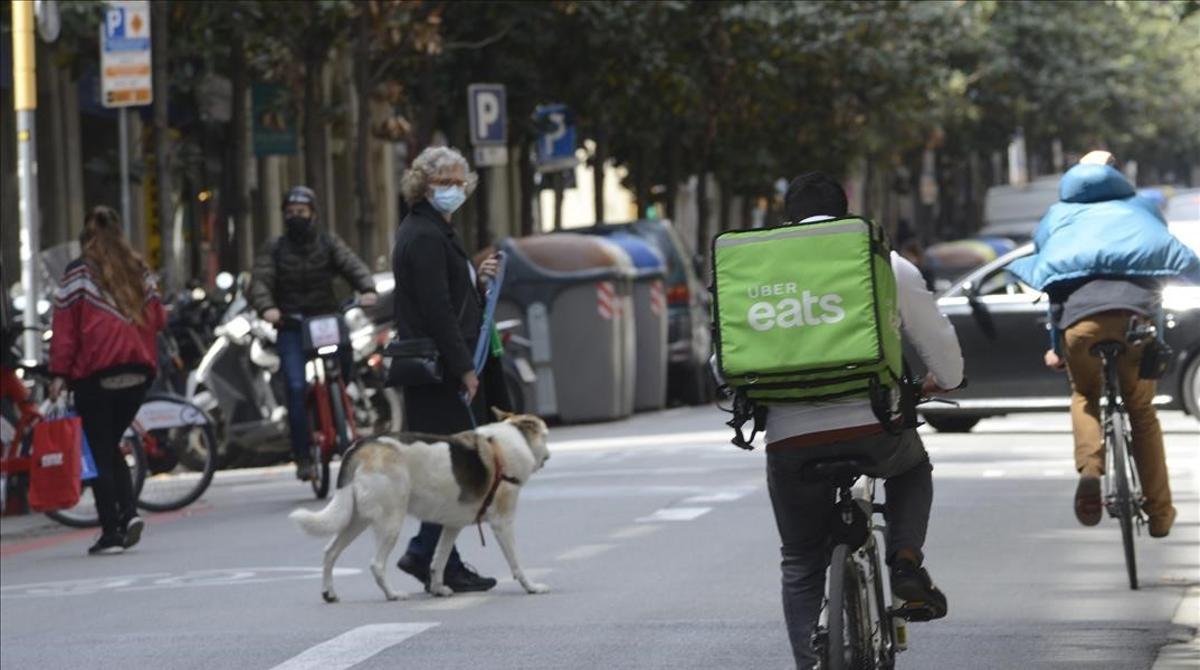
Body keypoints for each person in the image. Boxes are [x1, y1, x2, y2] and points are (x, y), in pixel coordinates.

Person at [764, 173, 964, 669]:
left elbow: (724, 366)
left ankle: (810, 662)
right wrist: (946, 379)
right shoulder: (886, 263)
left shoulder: (761, 270)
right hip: (875, 427)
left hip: (791, 439)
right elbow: (940, 349)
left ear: (789, 221)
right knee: (912, 467)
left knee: (800, 559)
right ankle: (905, 561)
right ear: (846, 212)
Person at [1010, 151, 1200, 539]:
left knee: (1084, 394)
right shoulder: (1141, 208)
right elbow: (1161, 278)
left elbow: (1054, 293)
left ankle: (1091, 469)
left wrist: (1056, 347)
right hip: (1135, 323)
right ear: (1116, 175)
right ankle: (1160, 513)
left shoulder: (1057, 216)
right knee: (1142, 412)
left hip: (1080, 324)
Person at [390, 145, 510, 594]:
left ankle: (433, 555)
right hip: (438, 372)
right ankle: (427, 555)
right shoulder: (422, 236)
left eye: (460, 182)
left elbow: (450, 297)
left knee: (451, 469)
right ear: (423, 184)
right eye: (445, 182)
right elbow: (437, 310)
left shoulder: (435, 231)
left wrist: (477, 279)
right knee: (454, 468)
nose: (454, 190)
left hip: (440, 367)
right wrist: (464, 368)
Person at [47, 206, 167, 554]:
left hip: (96, 376)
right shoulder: (139, 269)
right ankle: (128, 515)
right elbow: (158, 317)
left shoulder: (78, 273)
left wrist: (58, 373)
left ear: (86, 239)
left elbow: (65, 332)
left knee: (99, 451)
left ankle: (112, 529)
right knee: (108, 444)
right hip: (137, 375)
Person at [249, 186, 378, 480]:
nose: (296, 217)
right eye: (290, 213)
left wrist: (367, 289)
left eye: (302, 212)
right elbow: (260, 282)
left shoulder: (328, 242)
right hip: (291, 326)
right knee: (294, 388)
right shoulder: (275, 248)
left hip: (327, 320)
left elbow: (352, 265)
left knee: (345, 367)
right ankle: (303, 455)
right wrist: (268, 308)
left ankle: (340, 398)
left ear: (314, 214)